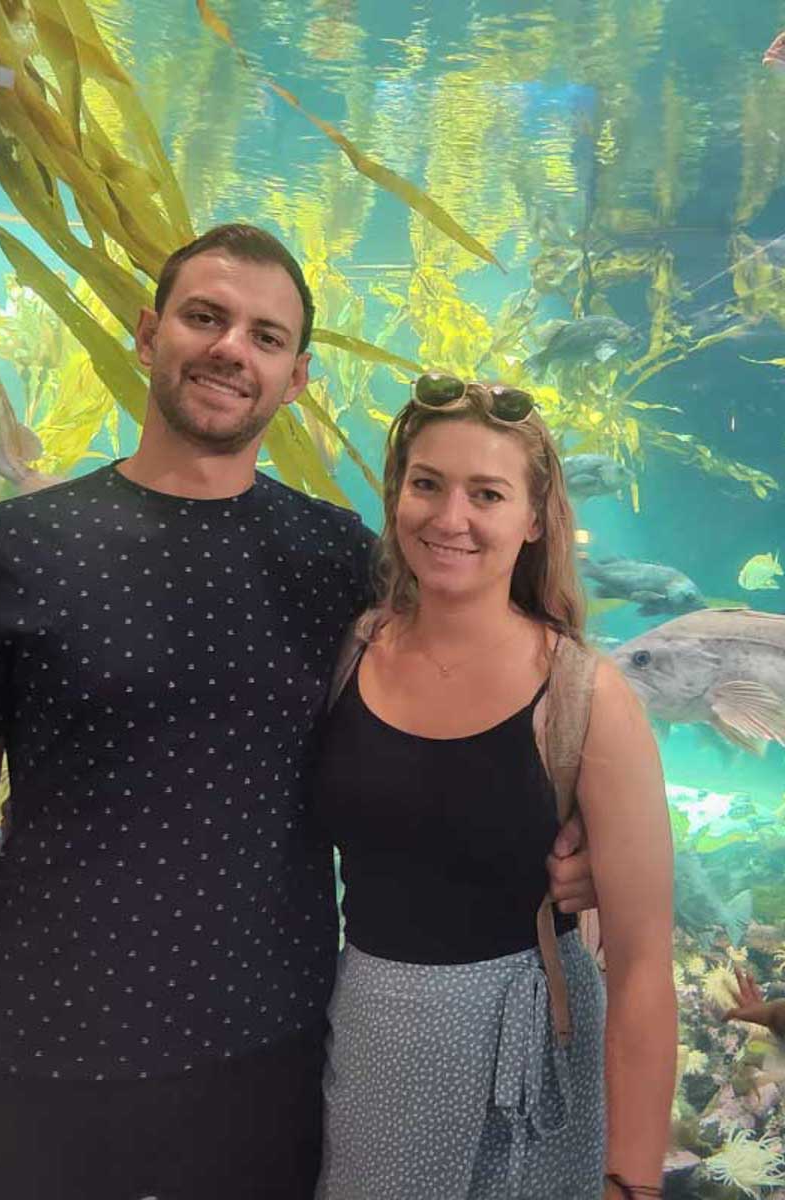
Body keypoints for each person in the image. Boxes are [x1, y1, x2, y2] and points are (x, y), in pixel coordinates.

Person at [0, 225, 598, 1200]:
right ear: (145, 333)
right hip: (36, 1062)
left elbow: (480, 707)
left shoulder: (342, 559)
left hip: (275, 1071)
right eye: (204, 317)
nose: (229, 349)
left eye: (264, 336)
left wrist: (569, 826)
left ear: (296, 378)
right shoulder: (4, 553)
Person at [310, 375, 677, 1200]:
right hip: (370, 1038)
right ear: (396, 490)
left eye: (487, 493)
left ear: (532, 518)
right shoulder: (346, 652)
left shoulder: (587, 696)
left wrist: (633, 1182)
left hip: (535, 1046)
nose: (450, 519)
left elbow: (646, 963)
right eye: (428, 484)